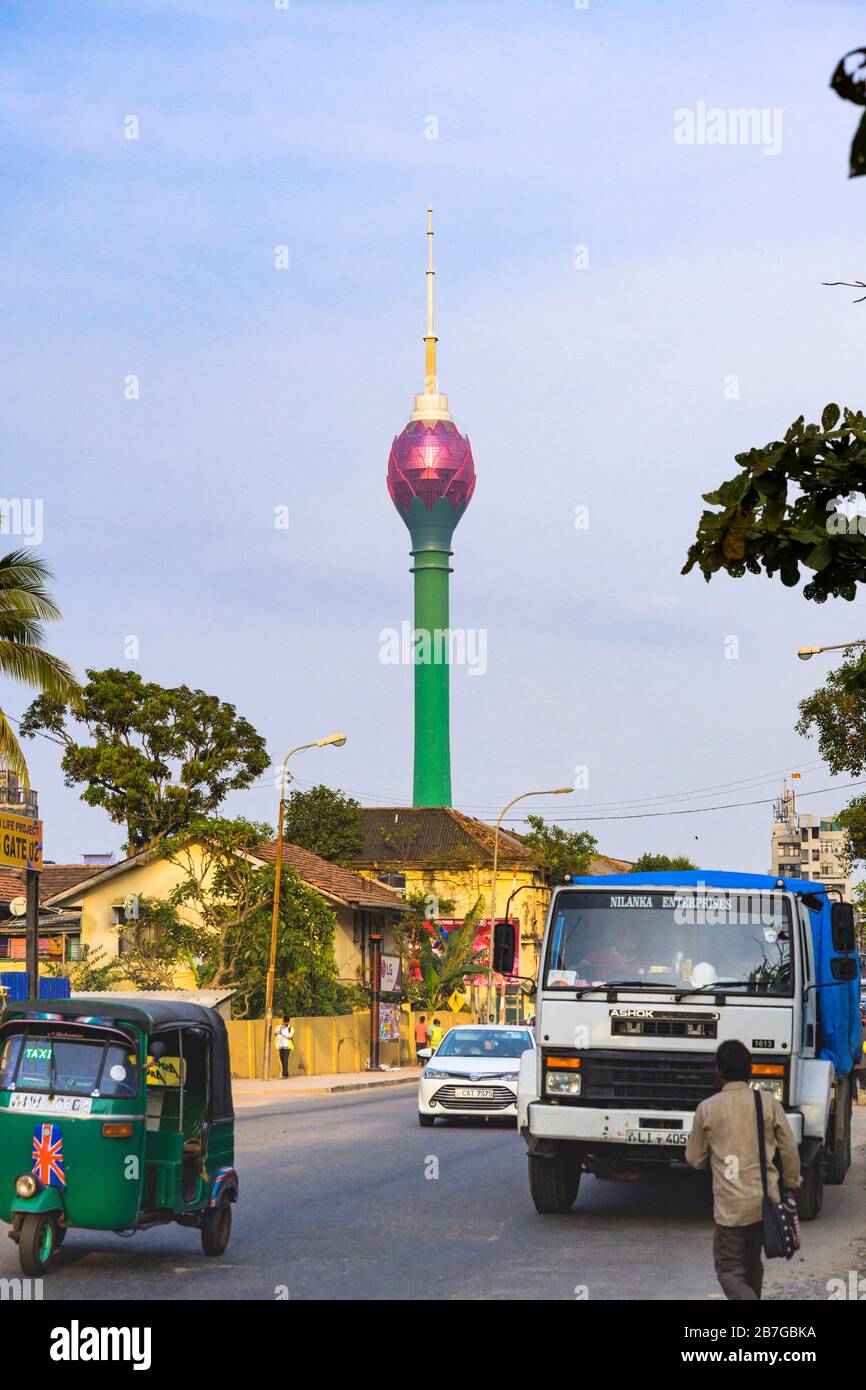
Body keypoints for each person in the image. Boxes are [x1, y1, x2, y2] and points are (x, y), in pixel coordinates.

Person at [686, 1039, 800, 1301]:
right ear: (751, 1070)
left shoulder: (707, 1108)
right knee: (752, 1266)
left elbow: (696, 1159)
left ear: (719, 1070)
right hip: (764, 1203)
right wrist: (792, 1184)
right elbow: (789, 1149)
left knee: (728, 1270)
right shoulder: (768, 1103)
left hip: (730, 1210)